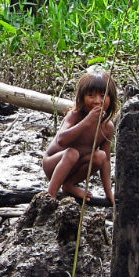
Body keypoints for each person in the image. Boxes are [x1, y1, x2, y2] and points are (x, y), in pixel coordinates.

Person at [42, 68, 117, 202]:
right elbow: (61, 140)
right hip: (53, 164)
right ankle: (49, 197)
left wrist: (109, 193)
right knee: (72, 153)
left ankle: (69, 185)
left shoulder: (107, 127)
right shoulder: (74, 116)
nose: (97, 101)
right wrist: (87, 121)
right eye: (91, 95)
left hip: (75, 168)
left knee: (101, 156)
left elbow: (105, 163)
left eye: (102, 95)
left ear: (111, 99)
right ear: (82, 98)